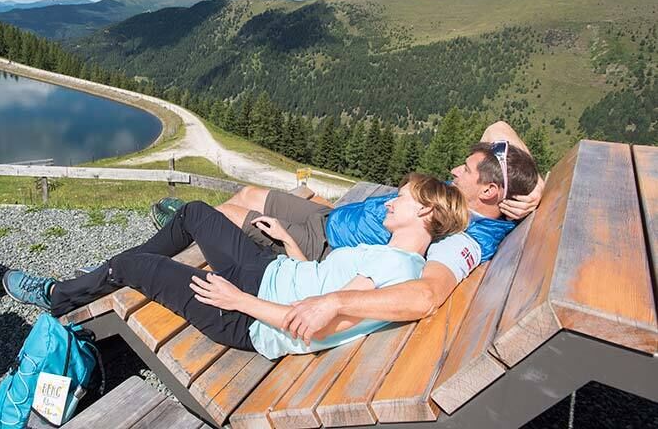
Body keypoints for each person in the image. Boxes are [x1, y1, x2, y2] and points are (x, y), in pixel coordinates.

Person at [2, 174, 468, 359]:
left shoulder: (401, 272)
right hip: (268, 275)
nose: (392, 201)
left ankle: (58, 295)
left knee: (129, 263)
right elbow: (323, 288)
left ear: (427, 213)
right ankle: (128, 270)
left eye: (402, 199)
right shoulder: (393, 257)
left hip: (245, 316)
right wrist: (290, 244)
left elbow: (315, 325)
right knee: (195, 212)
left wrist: (235, 298)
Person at [211, 121, 542, 344]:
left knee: (219, 215)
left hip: (322, 247)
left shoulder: (465, 238)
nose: (455, 170)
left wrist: (336, 302)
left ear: (489, 191)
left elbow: (426, 296)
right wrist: (536, 186)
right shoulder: (467, 197)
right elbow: (499, 127)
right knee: (248, 194)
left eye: (466, 170)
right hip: (331, 217)